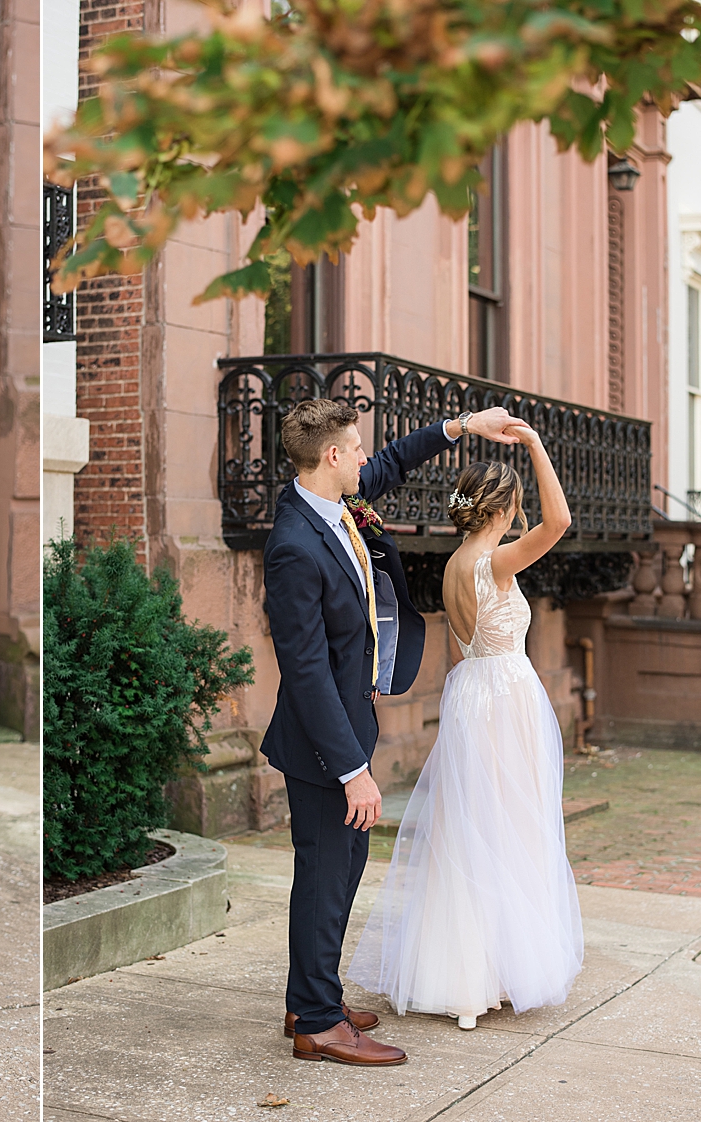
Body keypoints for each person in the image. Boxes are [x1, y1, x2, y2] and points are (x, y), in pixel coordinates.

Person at [261, 398, 519, 1066]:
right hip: (324, 744)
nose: (365, 459)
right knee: (325, 873)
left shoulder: (333, 502)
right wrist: (353, 769)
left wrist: (461, 428)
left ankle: (308, 996)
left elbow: (397, 462)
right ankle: (317, 1025)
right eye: (356, 449)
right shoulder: (294, 545)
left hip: (349, 722)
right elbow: (306, 671)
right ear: (332, 456)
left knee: (339, 871)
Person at [349, 426, 584, 1030]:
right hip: (504, 694)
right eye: (514, 509)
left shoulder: (456, 564)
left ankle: (469, 972)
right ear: (502, 509)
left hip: (472, 692)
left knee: (470, 828)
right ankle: (497, 969)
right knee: (510, 826)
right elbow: (558, 522)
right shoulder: (495, 561)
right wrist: (534, 445)